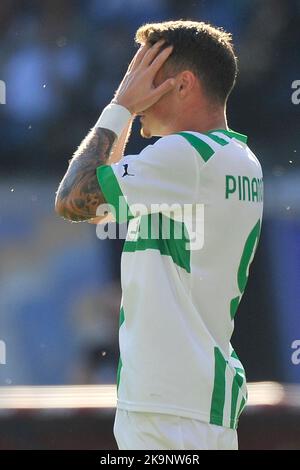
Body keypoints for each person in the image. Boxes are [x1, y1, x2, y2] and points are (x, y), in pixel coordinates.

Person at [55, 20, 264, 450]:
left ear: (184, 85)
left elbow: (74, 199)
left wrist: (120, 107)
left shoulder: (187, 157)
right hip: (192, 403)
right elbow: (100, 209)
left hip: (172, 412)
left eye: (147, 78)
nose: (135, 88)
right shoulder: (237, 158)